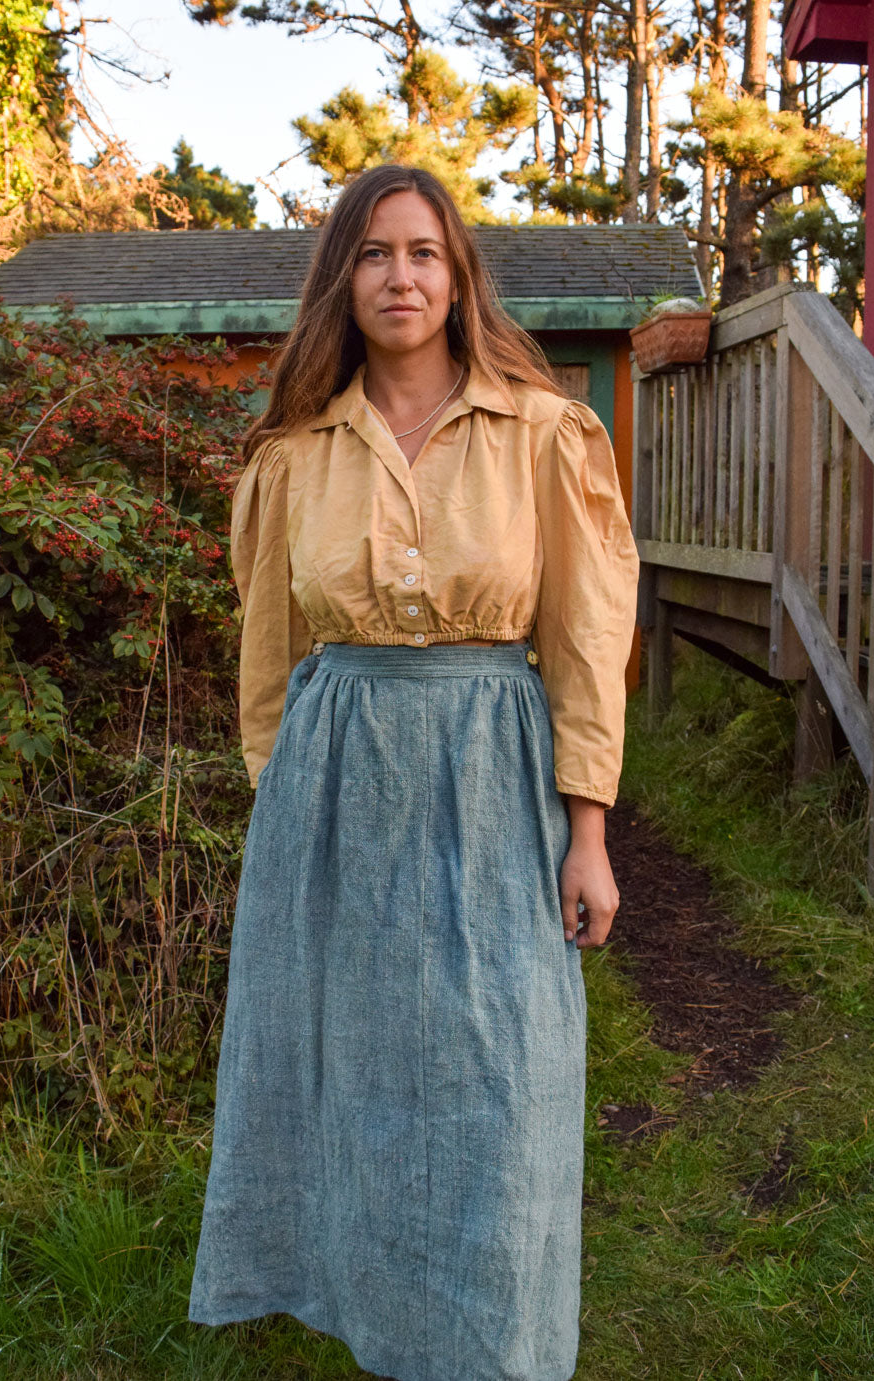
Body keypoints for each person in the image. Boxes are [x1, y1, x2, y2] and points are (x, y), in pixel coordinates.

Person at [188, 163, 640, 1381]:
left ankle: (493, 1343)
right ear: (343, 278)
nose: (401, 276)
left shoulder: (543, 433)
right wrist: (285, 810)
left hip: (495, 777)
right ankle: (380, 1324)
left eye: (424, 252)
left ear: (457, 277)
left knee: (501, 1074)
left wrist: (587, 830)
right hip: (333, 792)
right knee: (351, 1073)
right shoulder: (294, 454)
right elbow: (270, 656)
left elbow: (586, 642)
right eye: (376, 253)